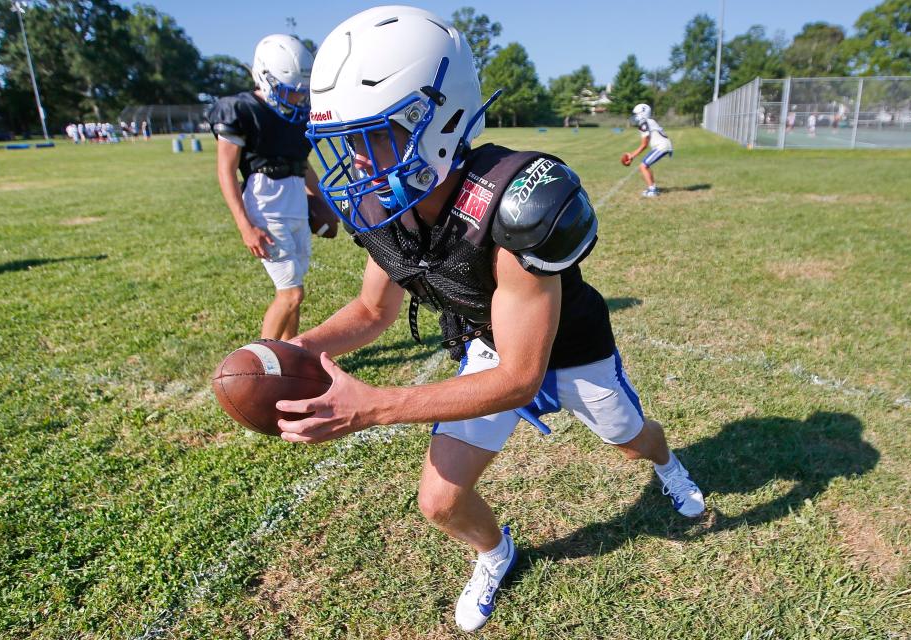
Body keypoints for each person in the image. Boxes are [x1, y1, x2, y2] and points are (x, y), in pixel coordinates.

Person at [276, 6, 704, 632]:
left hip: (567, 350)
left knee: (631, 440)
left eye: (371, 137)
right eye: (346, 143)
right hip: (485, 342)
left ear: (436, 120)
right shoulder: (391, 205)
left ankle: (670, 466)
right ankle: (496, 550)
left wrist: (371, 405)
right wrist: (297, 348)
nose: (358, 164)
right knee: (440, 500)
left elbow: (522, 376)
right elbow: (372, 310)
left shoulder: (514, 204)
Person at [206, 34, 337, 340]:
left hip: (295, 207)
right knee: (291, 294)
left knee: (294, 292)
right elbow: (225, 171)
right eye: (290, 92)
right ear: (264, 77)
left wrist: (323, 202)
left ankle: (289, 353)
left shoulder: (296, 117)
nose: (296, 99)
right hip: (266, 208)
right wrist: (244, 226)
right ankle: (263, 366)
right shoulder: (242, 109)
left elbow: (302, 166)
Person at [622, 103, 673, 197]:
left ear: (642, 113)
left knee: (643, 166)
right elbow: (644, 144)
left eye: (636, 114)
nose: (635, 116)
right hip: (662, 146)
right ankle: (652, 187)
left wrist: (632, 156)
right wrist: (631, 154)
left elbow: (644, 145)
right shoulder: (649, 121)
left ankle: (652, 190)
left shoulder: (644, 123)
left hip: (662, 146)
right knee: (645, 165)